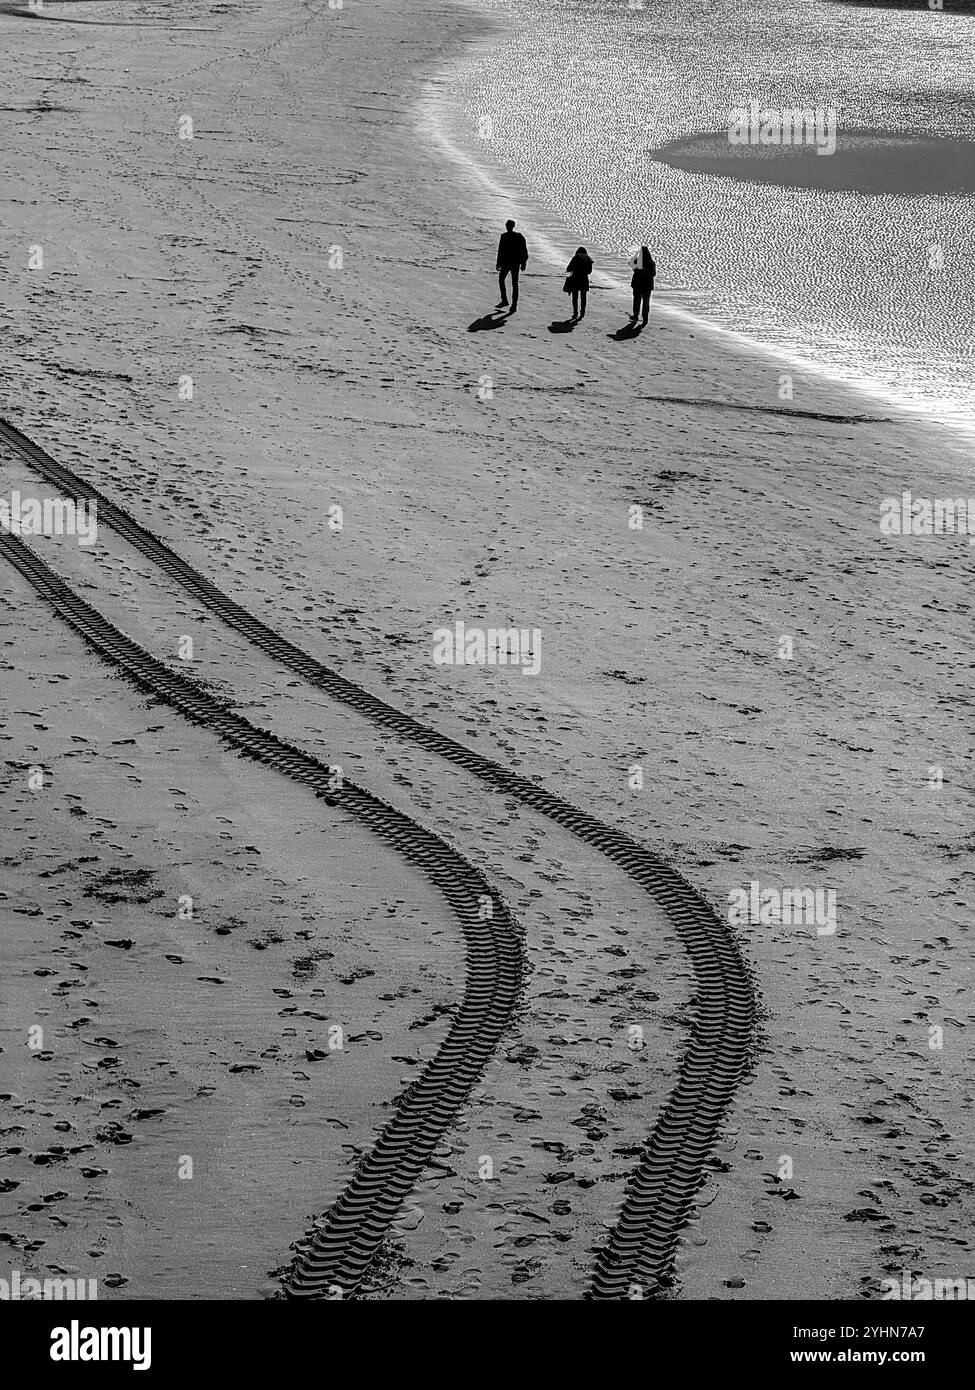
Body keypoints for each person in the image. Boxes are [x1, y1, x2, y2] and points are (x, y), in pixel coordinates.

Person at [496, 219, 528, 311]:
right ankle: (513, 304)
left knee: (503, 280)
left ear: (508, 226)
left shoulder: (504, 236)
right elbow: (524, 251)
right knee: (514, 283)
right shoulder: (519, 236)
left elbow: (500, 251)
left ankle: (506, 301)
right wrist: (523, 263)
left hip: (507, 263)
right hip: (514, 263)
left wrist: (498, 263)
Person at [564, 246, 593, 320]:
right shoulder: (588, 259)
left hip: (575, 278)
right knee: (583, 297)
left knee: (575, 297)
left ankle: (575, 312)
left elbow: (568, 268)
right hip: (584, 279)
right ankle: (582, 312)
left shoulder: (575, 258)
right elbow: (589, 272)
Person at [629, 245, 656, 325]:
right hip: (647, 285)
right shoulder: (651, 263)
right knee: (646, 302)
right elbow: (653, 274)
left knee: (637, 300)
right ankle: (645, 318)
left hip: (638, 284)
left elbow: (630, 263)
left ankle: (635, 316)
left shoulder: (638, 261)